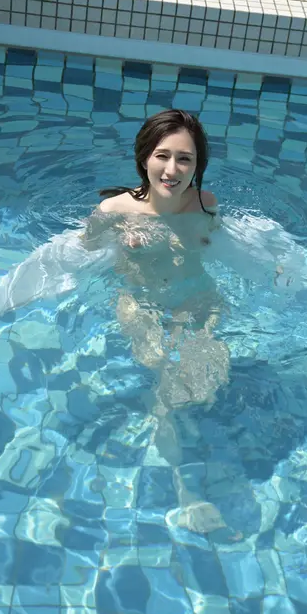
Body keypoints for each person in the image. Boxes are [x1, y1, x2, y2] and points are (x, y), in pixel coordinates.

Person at [82, 109, 230, 532]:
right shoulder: (114, 209)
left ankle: (176, 435)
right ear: (144, 156)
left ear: (198, 164)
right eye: (162, 155)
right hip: (141, 304)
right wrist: (121, 242)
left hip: (197, 302)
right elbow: (81, 249)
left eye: (185, 159)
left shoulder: (205, 204)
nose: (172, 169)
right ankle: (189, 496)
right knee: (167, 382)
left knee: (205, 385)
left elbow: (221, 245)